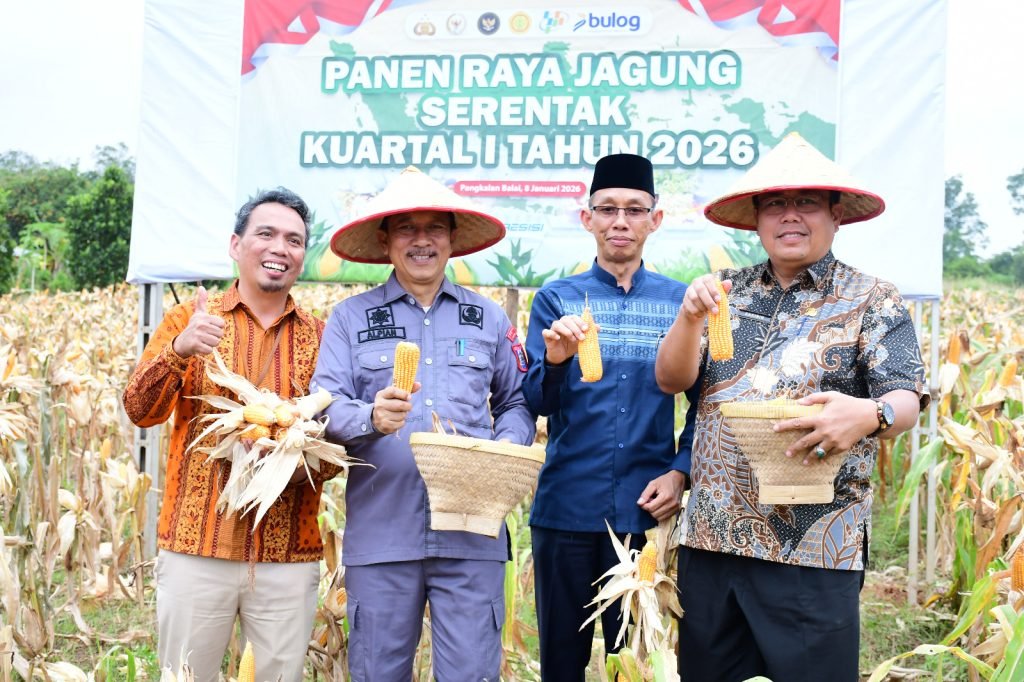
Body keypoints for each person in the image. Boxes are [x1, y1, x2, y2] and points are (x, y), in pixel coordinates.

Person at [655, 132, 929, 682]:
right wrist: (688, 318)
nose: (790, 216)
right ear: (757, 219)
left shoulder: (872, 298)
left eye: (806, 203)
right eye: (775, 204)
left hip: (813, 547)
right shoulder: (724, 291)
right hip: (715, 537)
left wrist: (868, 414)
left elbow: (906, 397)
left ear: (835, 214)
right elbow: (672, 379)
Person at [310, 166, 535, 682]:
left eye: (434, 228)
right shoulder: (351, 319)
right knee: (377, 673)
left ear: (452, 239)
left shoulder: (490, 319)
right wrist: (370, 417)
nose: (421, 241)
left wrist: (501, 453)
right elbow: (322, 408)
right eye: (406, 228)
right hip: (383, 532)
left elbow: (518, 402)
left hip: (472, 533)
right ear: (386, 240)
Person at [123, 188, 336, 682]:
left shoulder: (321, 337)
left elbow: (335, 447)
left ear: (303, 256)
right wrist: (179, 349)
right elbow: (139, 410)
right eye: (266, 234)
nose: (280, 248)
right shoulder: (188, 321)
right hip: (197, 547)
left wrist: (292, 445)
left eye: (294, 240)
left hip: (288, 553)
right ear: (236, 245)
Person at [522, 153, 698, 681]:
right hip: (566, 509)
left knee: (635, 664)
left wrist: (681, 469)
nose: (620, 221)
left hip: (644, 513)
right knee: (562, 661)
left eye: (633, 210)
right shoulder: (556, 300)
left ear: (655, 220)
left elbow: (705, 404)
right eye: (607, 210)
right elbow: (537, 401)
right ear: (588, 218)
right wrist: (555, 360)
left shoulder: (679, 304)